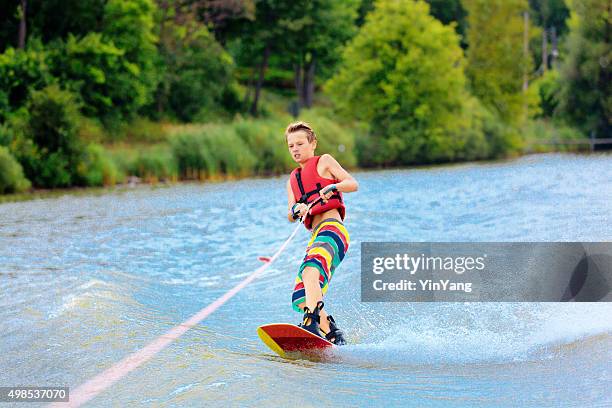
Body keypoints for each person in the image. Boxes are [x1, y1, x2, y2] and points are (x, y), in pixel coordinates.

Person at [285, 121, 358, 345]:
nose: (295, 149)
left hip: (333, 229)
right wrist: (296, 210)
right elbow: (290, 214)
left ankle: (311, 322)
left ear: (312, 143)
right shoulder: (293, 179)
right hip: (316, 235)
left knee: (310, 272)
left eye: (299, 143)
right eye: (290, 146)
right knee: (301, 295)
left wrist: (332, 187)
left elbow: (352, 183)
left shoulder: (324, 161)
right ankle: (332, 332)